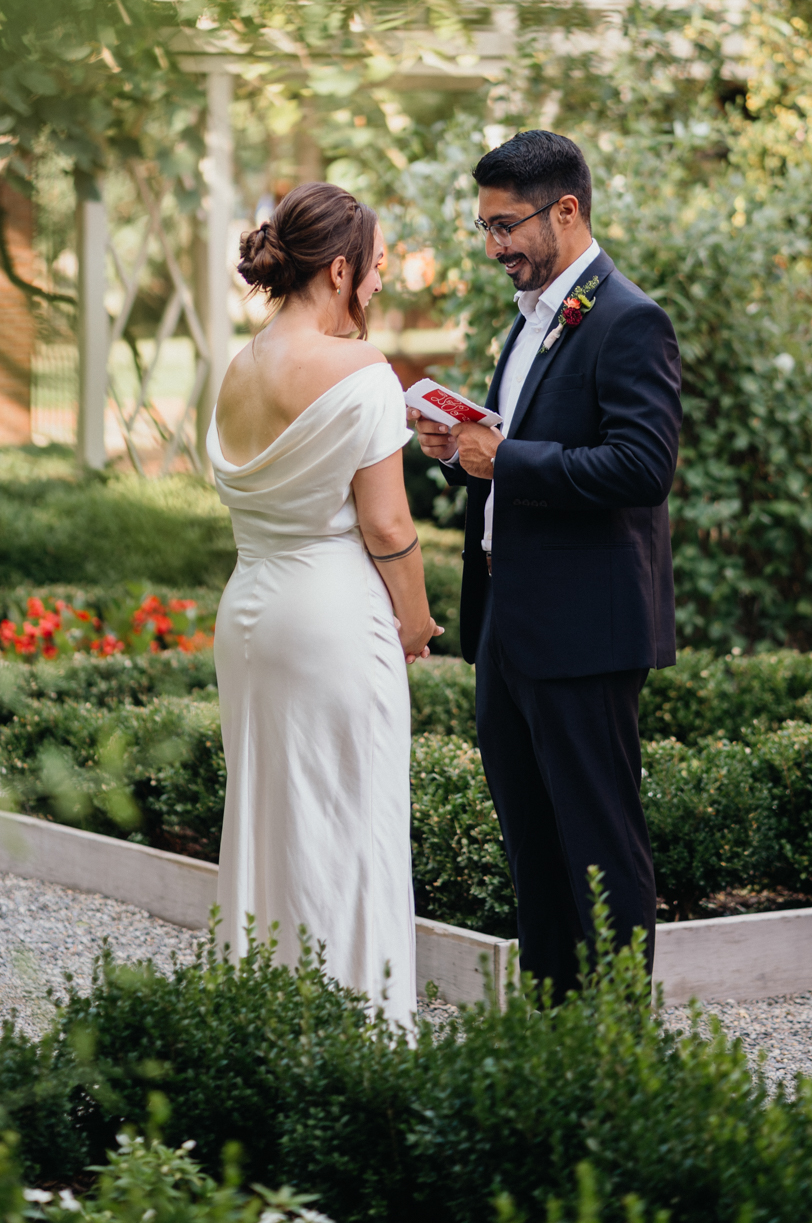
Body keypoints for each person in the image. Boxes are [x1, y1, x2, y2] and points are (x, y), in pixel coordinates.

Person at [409, 131, 681, 998]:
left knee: (600, 846)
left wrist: (508, 460)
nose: (494, 247)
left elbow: (643, 467)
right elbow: (514, 452)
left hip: (584, 635)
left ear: (566, 210)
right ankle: (555, 1031)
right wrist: (461, 449)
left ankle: (617, 1039)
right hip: (509, 629)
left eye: (506, 226)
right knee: (531, 844)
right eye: (484, 228)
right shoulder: (528, 322)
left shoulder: (630, 319)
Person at [209, 181, 440, 1022]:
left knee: (268, 823)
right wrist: (415, 623)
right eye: (376, 269)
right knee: (352, 829)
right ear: (339, 268)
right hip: (334, 624)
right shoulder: (363, 372)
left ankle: (263, 1017)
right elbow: (386, 524)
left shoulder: (239, 367)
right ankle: (360, 1029)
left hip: (248, 619)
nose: (379, 285)